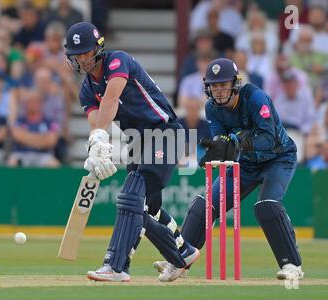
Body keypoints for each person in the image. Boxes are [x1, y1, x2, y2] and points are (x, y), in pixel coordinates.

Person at [64, 22, 199, 282]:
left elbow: (112, 98)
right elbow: (96, 121)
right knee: (146, 208)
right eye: (77, 54)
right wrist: (95, 148)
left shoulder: (118, 61)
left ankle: (116, 265)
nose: (83, 58)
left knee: (130, 196)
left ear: (98, 48)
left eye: (86, 51)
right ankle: (183, 252)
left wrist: (102, 136)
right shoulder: (86, 90)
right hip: (138, 142)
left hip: (165, 133)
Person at [154, 58, 304, 281]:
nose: (219, 91)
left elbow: (267, 137)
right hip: (246, 164)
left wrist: (234, 140)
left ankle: (292, 265)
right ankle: (179, 261)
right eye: (214, 86)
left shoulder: (255, 97)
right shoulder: (211, 108)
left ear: (235, 83)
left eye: (224, 85)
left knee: (267, 206)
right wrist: (220, 147)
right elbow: (222, 139)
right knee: (204, 205)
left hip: (278, 158)